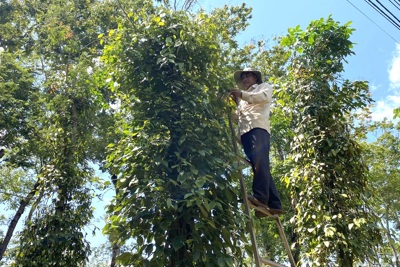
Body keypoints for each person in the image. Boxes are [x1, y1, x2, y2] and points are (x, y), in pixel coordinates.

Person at [230, 67, 283, 217]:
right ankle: (274, 203)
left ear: (255, 77)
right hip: (245, 133)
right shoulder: (242, 101)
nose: (245, 79)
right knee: (259, 165)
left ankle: (260, 197)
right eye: (243, 78)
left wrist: (242, 94)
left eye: (247, 76)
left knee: (260, 162)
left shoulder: (263, 87)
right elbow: (237, 116)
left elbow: (263, 97)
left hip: (258, 129)